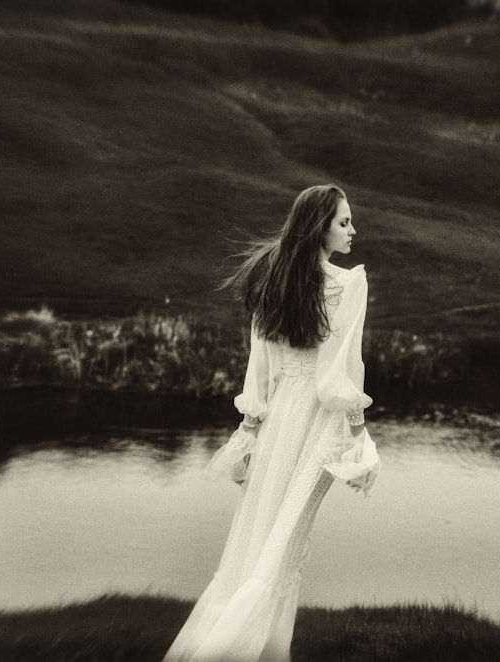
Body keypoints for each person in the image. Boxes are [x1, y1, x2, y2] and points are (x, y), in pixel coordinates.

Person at [163, 184, 380, 662]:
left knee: (260, 542)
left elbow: (259, 370)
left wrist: (250, 428)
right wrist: (360, 434)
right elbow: (339, 374)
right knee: (281, 550)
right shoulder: (349, 284)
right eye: (344, 222)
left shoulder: (272, 278)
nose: (352, 230)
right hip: (317, 423)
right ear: (319, 226)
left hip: (280, 414)